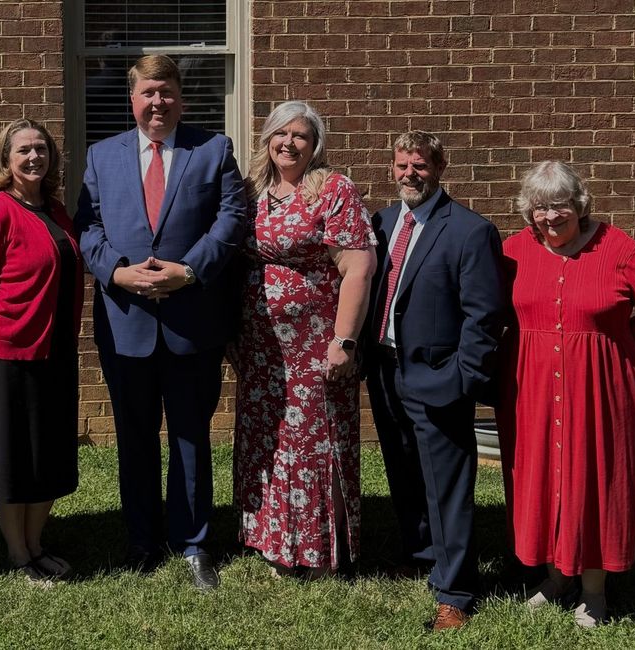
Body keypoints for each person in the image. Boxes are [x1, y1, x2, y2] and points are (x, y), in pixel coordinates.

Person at [75, 54, 247, 591]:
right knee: (135, 438)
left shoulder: (213, 149)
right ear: (133, 99)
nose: (158, 102)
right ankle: (142, 540)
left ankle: (194, 543)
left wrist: (190, 269)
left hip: (191, 321)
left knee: (192, 436)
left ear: (181, 97)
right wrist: (117, 274)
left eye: (167, 92)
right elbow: (86, 225)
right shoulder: (102, 156)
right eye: (148, 92)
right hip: (125, 322)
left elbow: (234, 217)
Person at [498, 161, 635, 628]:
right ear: (527, 211)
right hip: (533, 387)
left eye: (559, 206)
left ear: (578, 205)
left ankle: (593, 591)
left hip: (603, 388)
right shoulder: (514, 250)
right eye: (539, 208)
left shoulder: (617, 247)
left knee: (595, 480)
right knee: (546, 478)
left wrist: (611, 345)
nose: (549, 217)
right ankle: (556, 576)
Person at [363, 130, 507, 630]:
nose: (410, 174)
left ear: (440, 168)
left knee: (448, 487)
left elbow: (484, 316)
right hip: (385, 370)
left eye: (419, 166)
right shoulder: (380, 222)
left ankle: (457, 591)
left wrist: (463, 379)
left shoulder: (469, 230)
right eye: (402, 166)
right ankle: (422, 554)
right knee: (404, 471)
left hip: (439, 376)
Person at [231, 101, 376, 578]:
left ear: (315, 146)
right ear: (267, 139)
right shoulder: (253, 190)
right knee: (267, 440)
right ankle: (274, 542)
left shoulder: (331, 189)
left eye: (301, 136)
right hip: (261, 346)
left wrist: (345, 340)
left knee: (316, 443)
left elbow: (358, 267)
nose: (289, 143)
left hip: (315, 343)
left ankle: (319, 552)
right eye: (281, 133)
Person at [0, 119, 82, 583]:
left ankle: (38, 542)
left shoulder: (58, 211)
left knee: (48, 451)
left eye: (41, 149)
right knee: (15, 457)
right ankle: (18, 551)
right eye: (23, 150)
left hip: (56, 349)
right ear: (5, 160)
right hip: (8, 354)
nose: (33, 157)